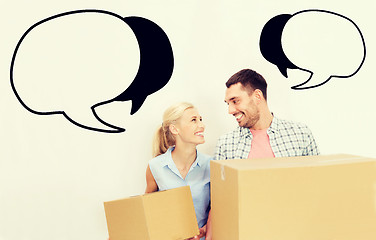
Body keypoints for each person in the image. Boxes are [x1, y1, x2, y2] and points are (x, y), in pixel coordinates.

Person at [215, 68, 319, 160]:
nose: (230, 111)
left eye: (235, 101)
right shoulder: (226, 144)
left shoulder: (300, 134)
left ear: (257, 96)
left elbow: (317, 177)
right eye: (228, 103)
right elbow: (221, 182)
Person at [145, 102, 212, 240]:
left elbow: (219, 208)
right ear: (175, 129)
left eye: (200, 119)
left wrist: (205, 230)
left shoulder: (212, 165)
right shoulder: (155, 166)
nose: (201, 125)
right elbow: (147, 211)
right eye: (194, 120)